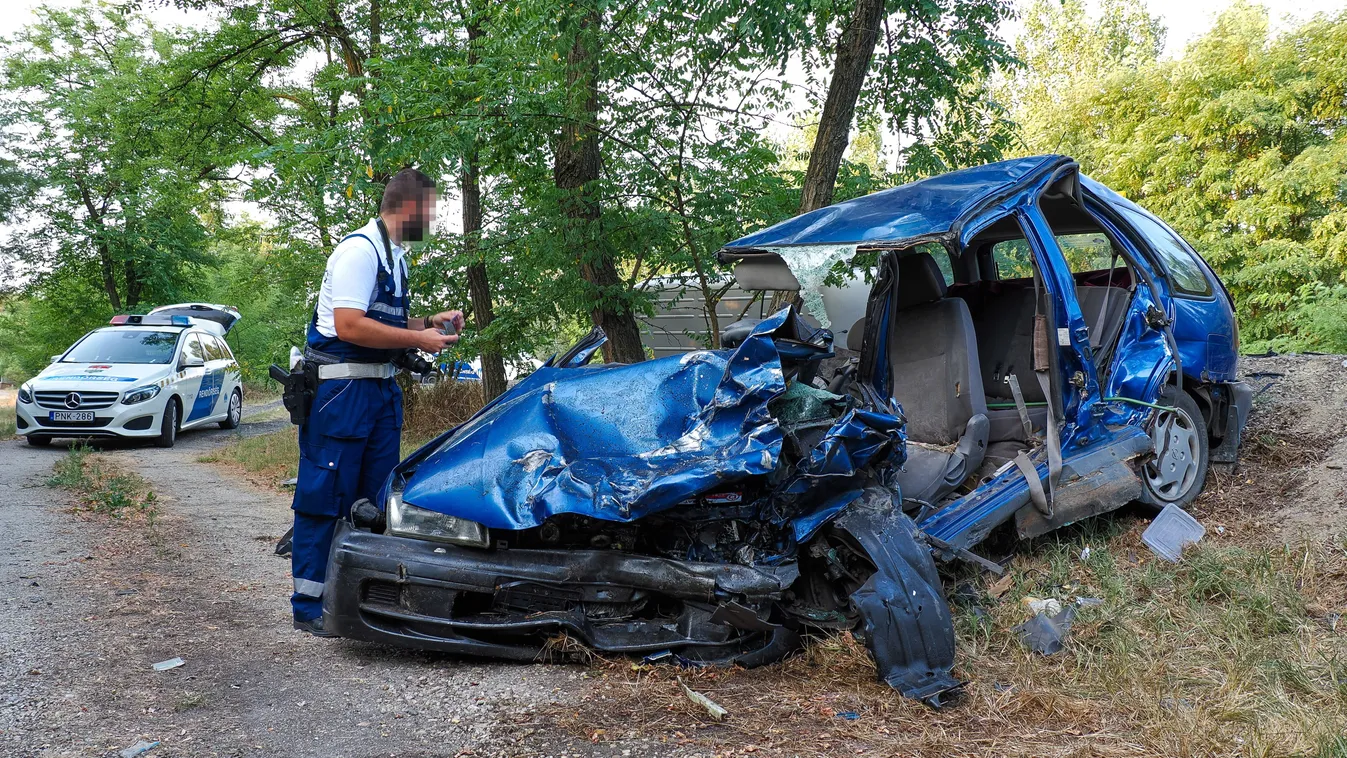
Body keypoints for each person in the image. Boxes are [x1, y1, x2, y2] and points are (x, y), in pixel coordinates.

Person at [290, 167, 463, 636]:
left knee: (375, 499)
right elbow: (348, 325)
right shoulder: (358, 252)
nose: (431, 220)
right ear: (407, 208)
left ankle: (360, 598)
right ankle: (309, 607)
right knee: (327, 496)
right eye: (429, 210)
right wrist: (417, 337)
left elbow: (388, 322)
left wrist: (431, 321)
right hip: (342, 394)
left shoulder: (397, 258)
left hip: (380, 393)